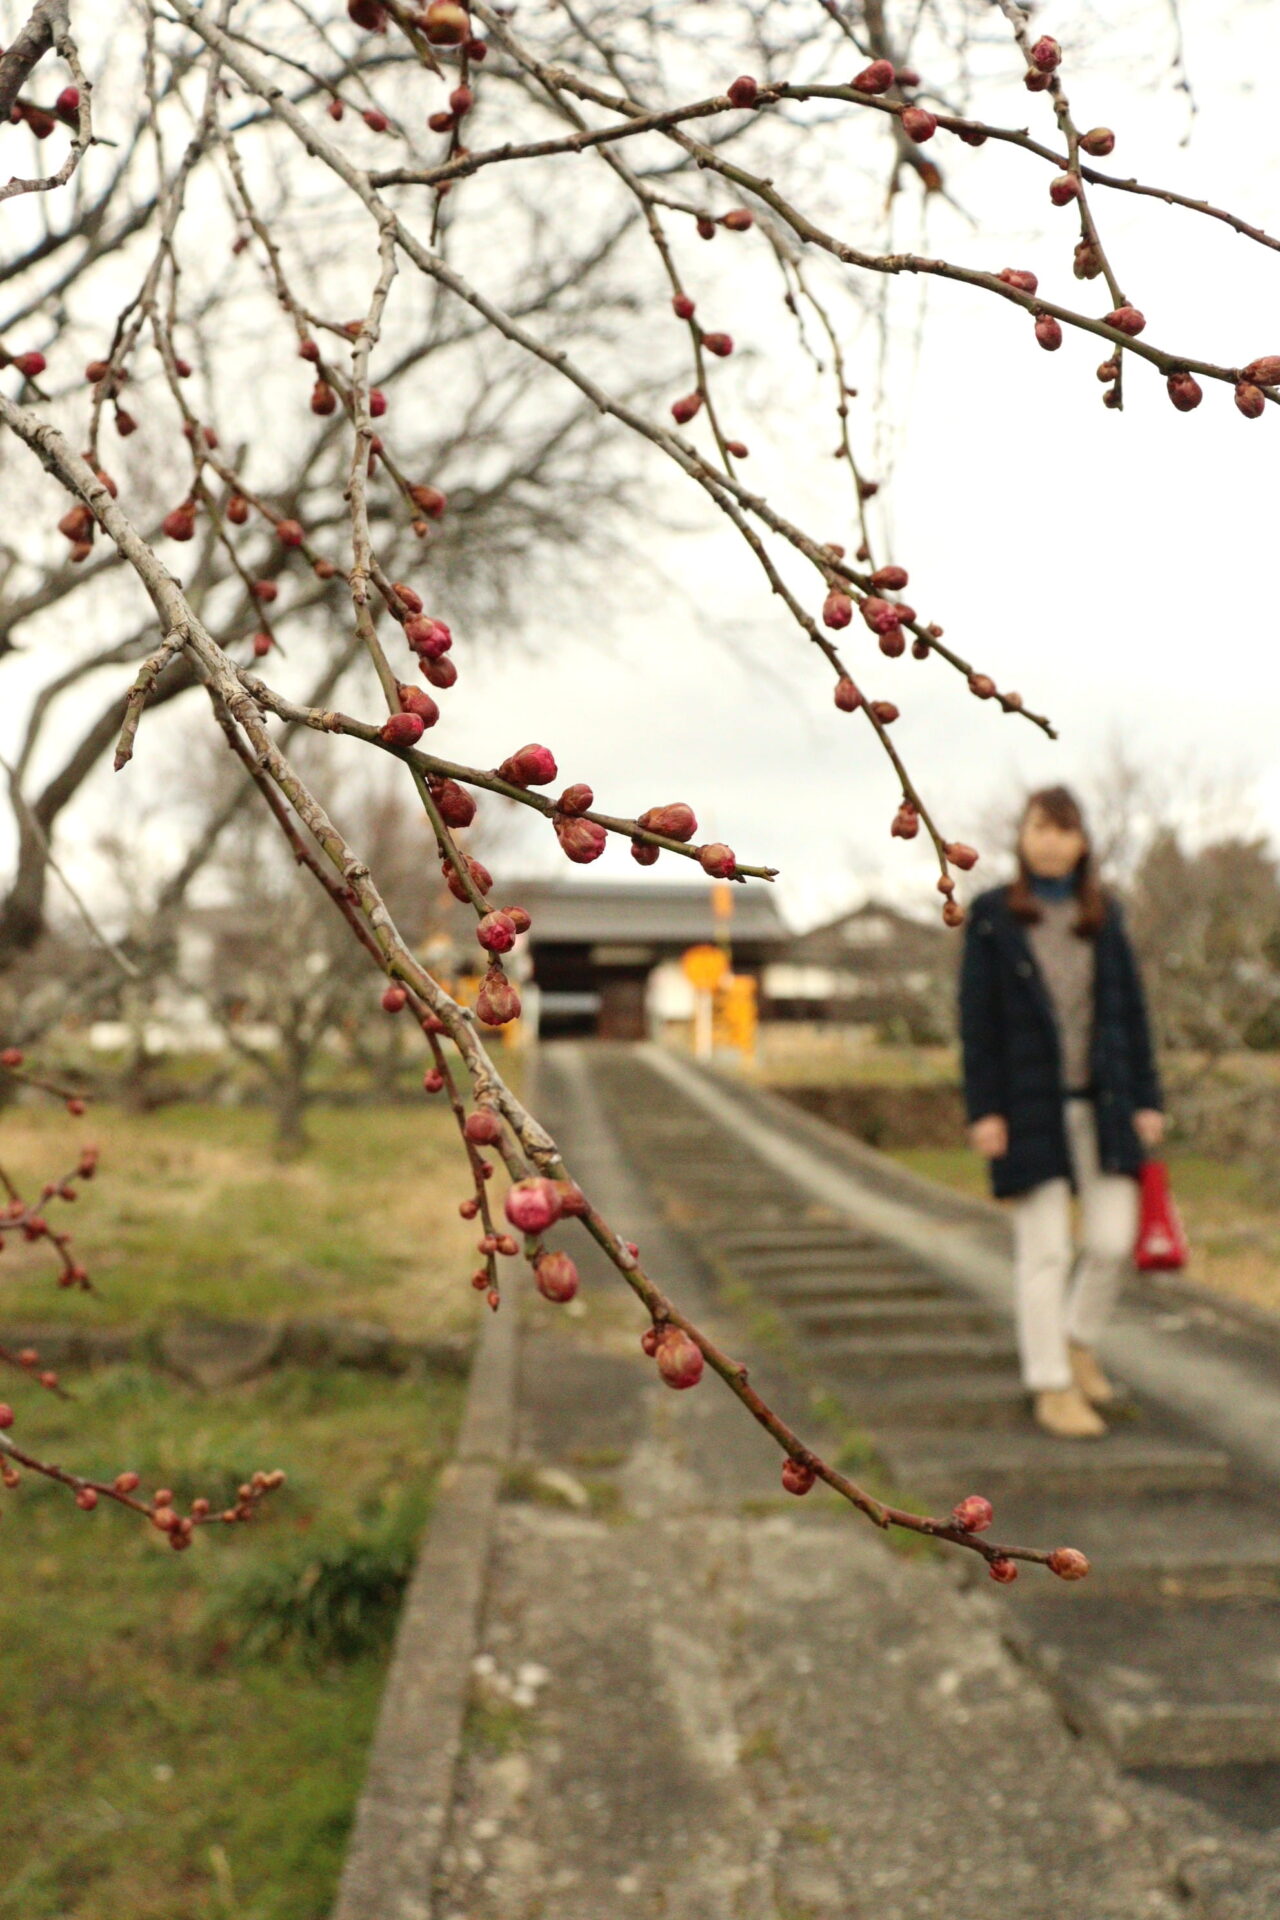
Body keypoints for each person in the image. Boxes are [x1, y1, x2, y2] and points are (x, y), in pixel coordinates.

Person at [958, 785, 1165, 1438]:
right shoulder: (992, 916)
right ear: (1021, 837)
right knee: (1043, 1250)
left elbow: (1131, 1014)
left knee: (1111, 1239)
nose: (1049, 840)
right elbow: (977, 1022)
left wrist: (1148, 1099)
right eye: (1038, 827)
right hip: (1026, 1109)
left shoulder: (1105, 915)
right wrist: (985, 1111)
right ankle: (1050, 1384)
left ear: (1082, 841)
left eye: (1063, 828)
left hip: (1107, 1105)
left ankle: (1080, 1340)